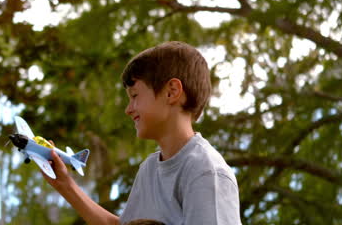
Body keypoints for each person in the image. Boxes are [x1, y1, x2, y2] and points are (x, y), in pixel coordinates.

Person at [42, 41, 242, 225]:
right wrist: (65, 185)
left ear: (171, 92)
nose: (128, 109)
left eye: (135, 95)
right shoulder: (149, 169)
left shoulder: (206, 171)